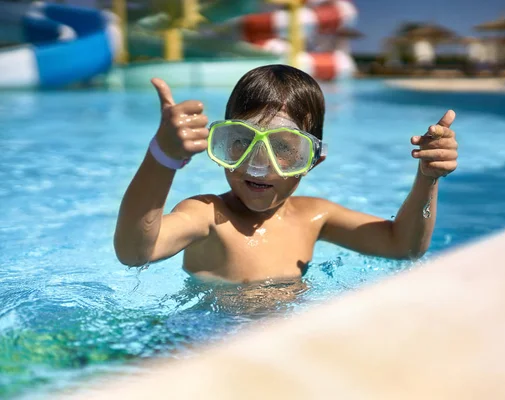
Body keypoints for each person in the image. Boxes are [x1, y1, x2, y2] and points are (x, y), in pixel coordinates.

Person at [114, 64, 458, 283]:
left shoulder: (316, 217)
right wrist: (162, 158)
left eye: (283, 148)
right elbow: (134, 252)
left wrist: (427, 179)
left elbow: (405, 246)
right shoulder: (207, 216)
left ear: (312, 160)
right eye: (242, 142)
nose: (258, 164)